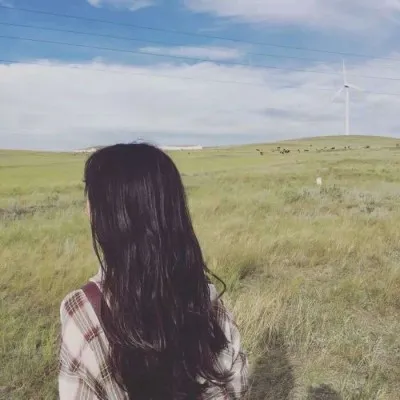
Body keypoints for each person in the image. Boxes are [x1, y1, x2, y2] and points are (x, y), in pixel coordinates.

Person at [58, 143, 248, 399]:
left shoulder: (83, 313)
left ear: (112, 217)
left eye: (91, 199)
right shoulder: (204, 298)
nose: (86, 209)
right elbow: (235, 386)